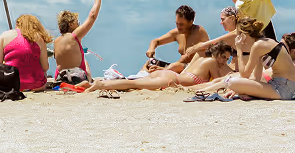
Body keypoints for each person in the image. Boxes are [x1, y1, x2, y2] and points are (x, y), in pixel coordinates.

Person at [86, 41, 233, 93]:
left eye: (227, 59)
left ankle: (93, 83)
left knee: (134, 83)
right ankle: (101, 84)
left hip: (167, 75)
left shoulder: (199, 57)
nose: (225, 61)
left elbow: (182, 67)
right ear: (217, 54)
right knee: (134, 84)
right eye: (224, 57)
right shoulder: (212, 63)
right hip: (170, 80)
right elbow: (216, 83)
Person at [225, 17, 295, 100]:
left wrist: (239, 50)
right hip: (286, 86)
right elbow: (256, 77)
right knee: (235, 83)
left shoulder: (258, 46)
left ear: (245, 34)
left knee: (231, 82)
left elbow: (244, 74)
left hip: (282, 88)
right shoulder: (264, 42)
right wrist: (243, 88)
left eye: (239, 36)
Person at [183, 6, 256, 75]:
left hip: (243, 74)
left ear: (232, 18)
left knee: (202, 53)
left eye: (223, 19)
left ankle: (184, 74)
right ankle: (186, 73)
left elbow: (212, 43)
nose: (221, 23)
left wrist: (195, 48)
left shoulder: (237, 33)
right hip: (239, 72)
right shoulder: (237, 33)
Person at [0, 14, 53, 92]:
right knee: (43, 73)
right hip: (36, 86)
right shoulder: (39, 39)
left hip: (10, 85)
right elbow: (45, 67)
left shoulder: (4, 36)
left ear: (17, 24)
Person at [54, 0, 102, 82]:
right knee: (85, 61)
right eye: (77, 22)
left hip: (60, 78)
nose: (79, 24)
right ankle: (89, 80)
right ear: (70, 24)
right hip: (75, 78)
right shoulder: (74, 36)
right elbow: (92, 16)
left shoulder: (56, 41)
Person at [144, 5, 209, 74]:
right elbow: (156, 41)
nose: (178, 27)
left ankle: (161, 72)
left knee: (176, 65)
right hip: (178, 67)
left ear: (191, 22)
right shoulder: (177, 32)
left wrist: (165, 69)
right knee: (150, 63)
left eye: (181, 24)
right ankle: (138, 78)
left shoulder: (199, 31)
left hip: (194, 68)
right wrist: (151, 49)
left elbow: (187, 57)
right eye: (177, 23)